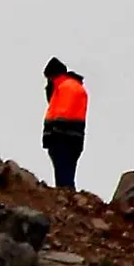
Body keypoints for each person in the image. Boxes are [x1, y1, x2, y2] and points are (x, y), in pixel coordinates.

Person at [41, 57, 88, 190]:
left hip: (63, 139)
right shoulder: (70, 86)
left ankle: (68, 201)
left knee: (64, 178)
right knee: (67, 174)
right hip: (73, 138)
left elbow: (62, 114)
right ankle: (70, 201)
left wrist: (53, 135)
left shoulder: (65, 87)